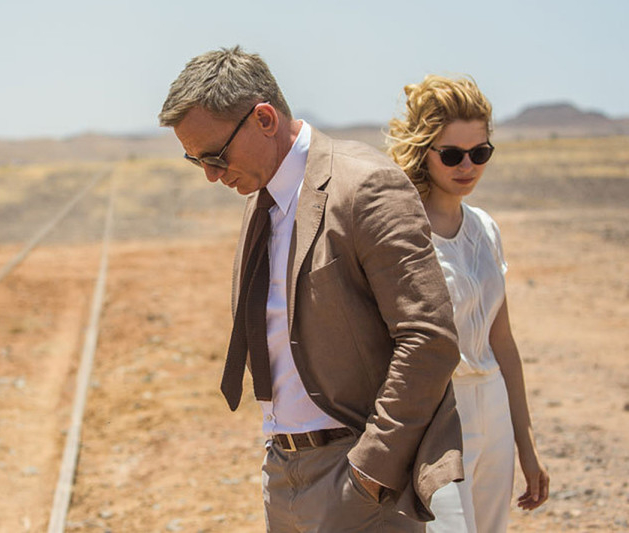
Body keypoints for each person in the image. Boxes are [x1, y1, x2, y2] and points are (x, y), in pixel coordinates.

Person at [159, 46, 464, 532]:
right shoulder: (262, 197)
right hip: (283, 472)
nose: (213, 176)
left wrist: (371, 469)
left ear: (263, 119)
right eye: (197, 163)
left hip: (358, 479)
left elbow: (430, 338)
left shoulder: (363, 186)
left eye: (216, 156)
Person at [387, 74, 550, 532]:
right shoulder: (402, 232)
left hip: (493, 405)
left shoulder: (485, 229)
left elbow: (504, 343)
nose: (468, 166)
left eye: (480, 153)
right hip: (437, 413)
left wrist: (527, 446)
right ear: (424, 150)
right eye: (453, 154)